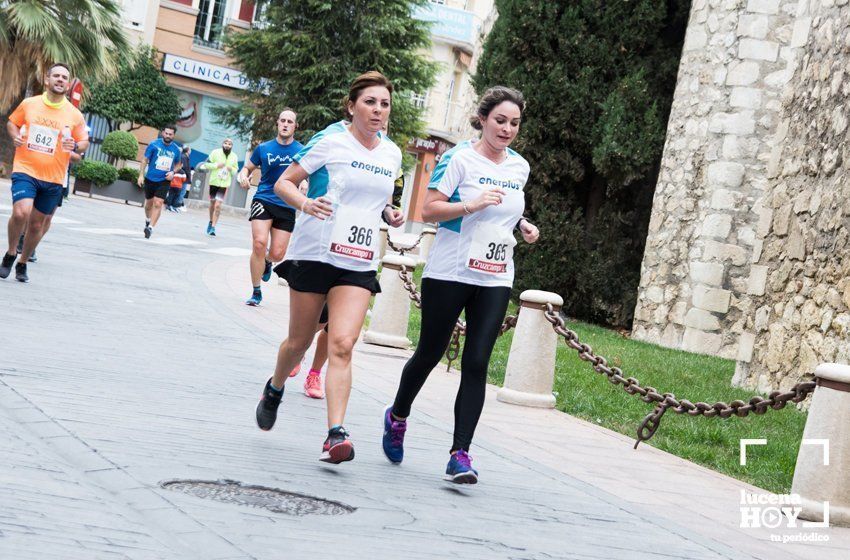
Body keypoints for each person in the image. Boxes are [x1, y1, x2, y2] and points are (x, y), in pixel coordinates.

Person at [381, 86, 540, 484]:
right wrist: (471, 204)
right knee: (430, 353)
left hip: (495, 275)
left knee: (476, 363)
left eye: (514, 123)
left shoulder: (519, 166)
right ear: (483, 119)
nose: (507, 129)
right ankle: (397, 416)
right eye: (500, 121)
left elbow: (505, 210)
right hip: (450, 271)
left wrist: (522, 225)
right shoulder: (459, 158)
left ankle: (460, 454)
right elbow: (429, 208)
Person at [254, 71, 404, 464]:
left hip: (357, 260)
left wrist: (391, 213)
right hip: (315, 253)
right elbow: (285, 183)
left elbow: (379, 200)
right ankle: (274, 387)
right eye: (370, 102)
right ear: (351, 106)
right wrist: (305, 205)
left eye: (384, 104)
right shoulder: (330, 143)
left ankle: (335, 433)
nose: (378, 110)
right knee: (298, 343)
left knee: (342, 344)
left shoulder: (391, 154)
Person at [0, 63, 89, 282]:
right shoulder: (30, 104)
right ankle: (11, 253)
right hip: (25, 169)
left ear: (68, 84)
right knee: (21, 212)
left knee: (37, 224)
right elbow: (12, 123)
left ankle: (23, 263)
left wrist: (75, 147)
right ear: (46, 80)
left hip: (54, 176)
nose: (60, 79)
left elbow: (84, 141)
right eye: (56, 76)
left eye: (64, 77)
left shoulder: (74, 114)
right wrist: (14, 137)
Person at [237, 109, 303, 306]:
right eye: (282, 120)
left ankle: (267, 261)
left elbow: (309, 172)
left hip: (287, 204)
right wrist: (243, 175)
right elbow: (248, 167)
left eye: (289, 121)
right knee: (259, 242)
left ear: (295, 126)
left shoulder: (302, 150)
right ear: (277, 123)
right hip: (263, 199)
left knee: (278, 254)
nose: (285, 124)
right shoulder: (264, 148)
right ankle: (256, 291)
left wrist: (306, 184)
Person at [16, 150, 83, 263]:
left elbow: (78, 154)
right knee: (31, 212)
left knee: (47, 217)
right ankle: (23, 237)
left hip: (59, 178)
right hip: (36, 173)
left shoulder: (72, 133)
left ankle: (31, 246)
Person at [137, 125, 181, 239]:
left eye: (170, 134)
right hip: (150, 178)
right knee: (148, 205)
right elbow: (145, 160)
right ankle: (148, 220)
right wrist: (141, 175)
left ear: (173, 135)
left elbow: (178, 164)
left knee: (158, 203)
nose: (168, 136)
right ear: (162, 133)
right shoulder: (153, 144)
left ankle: (150, 228)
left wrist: (173, 172)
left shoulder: (176, 149)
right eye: (166, 133)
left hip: (164, 180)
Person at [201, 138, 238, 236]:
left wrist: (231, 169)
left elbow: (236, 171)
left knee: (218, 205)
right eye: (225, 143)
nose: (227, 145)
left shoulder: (234, 156)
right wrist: (217, 165)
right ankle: (210, 221)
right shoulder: (215, 152)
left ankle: (213, 227)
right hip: (214, 182)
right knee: (212, 203)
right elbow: (206, 164)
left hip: (224, 184)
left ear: (232, 146)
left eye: (229, 144)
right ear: (222, 144)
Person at [166, 145, 192, 212]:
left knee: (178, 193)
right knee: (180, 193)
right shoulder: (184, 157)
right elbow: (185, 168)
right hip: (182, 179)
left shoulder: (184, 156)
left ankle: (174, 206)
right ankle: (176, 206)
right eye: (190, 149)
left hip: (181, 179)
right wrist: (187, 176)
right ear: (188, 150)